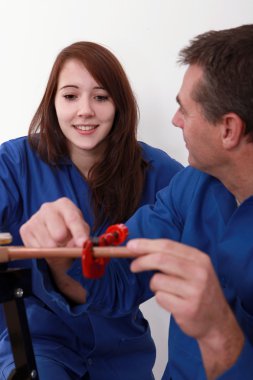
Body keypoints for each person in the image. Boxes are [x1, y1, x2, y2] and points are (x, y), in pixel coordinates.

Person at [20, 24, 253, 379]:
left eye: (185, 111)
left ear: (229, 129)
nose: (174, 121)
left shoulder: (161, 169)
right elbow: (116, 279)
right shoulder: (191, 186)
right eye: (70, 96)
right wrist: (63, 257)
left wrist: (217, 331)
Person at [0, 41, 183, 379]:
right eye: (70, 96)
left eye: (100, 97)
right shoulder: (14, 162)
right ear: (52, 102)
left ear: (119, 105)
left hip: (123, 349)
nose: (85, 110)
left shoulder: (159, 171)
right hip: (38, 343)